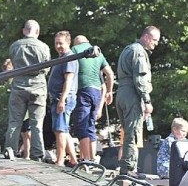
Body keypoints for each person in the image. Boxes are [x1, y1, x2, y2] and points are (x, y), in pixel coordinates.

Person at [115, 26, 160, 176]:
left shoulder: (127, 49)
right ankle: (128, 169)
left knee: (128, 132)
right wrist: (147, 100)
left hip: (122, 92)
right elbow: (140, 78)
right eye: (154, 40)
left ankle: (127, 168)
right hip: (132, 94)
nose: (156, 44)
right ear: (146, 37)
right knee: (132, 133)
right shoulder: (139, 52)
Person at [4, 20, 51, 162]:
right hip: (38, 87)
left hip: (18, 86)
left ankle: (10, 150)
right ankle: (37, 155)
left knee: (14, 121)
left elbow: (12, 63)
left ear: (24, 31)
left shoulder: (15, 46)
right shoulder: (43, 47)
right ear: (37, 32)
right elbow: (46, 68)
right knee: (37, 124)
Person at [70, 35, 114, 164]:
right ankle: (93, 159)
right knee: (90, 125)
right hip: (96, 92)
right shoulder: (98, 53)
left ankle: (86, 159)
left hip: (82, 90)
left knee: (81, 125)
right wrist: (109, 92)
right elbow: (110, 74)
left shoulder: (75, 50)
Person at [48, 31, 78, 167]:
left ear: (68, 43)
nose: (58, 46)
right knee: (62, 130)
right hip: (57, 99)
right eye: (56, 43)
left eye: (61, 43)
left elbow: (69, 80)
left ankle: (60, 160)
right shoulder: (61, 58)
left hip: (63, 99)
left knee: (60, 130)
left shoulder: (69, 58)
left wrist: (62, 100)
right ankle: (73, 159)